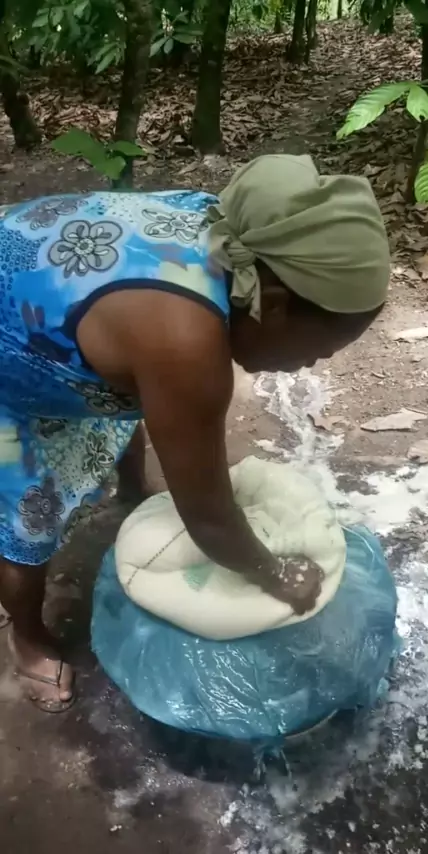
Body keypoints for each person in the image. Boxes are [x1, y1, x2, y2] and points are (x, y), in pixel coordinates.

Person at [0, 153, 389, 712]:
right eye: (318, 351)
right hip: (11, 334)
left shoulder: (231, 234)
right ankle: (27, 635)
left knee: (123, 391)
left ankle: (132, 492)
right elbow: (208, 516)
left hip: (36, 279)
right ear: (276, 307)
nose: (309, 366)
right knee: (25, 516)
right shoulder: (183, 347)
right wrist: (275, 573)